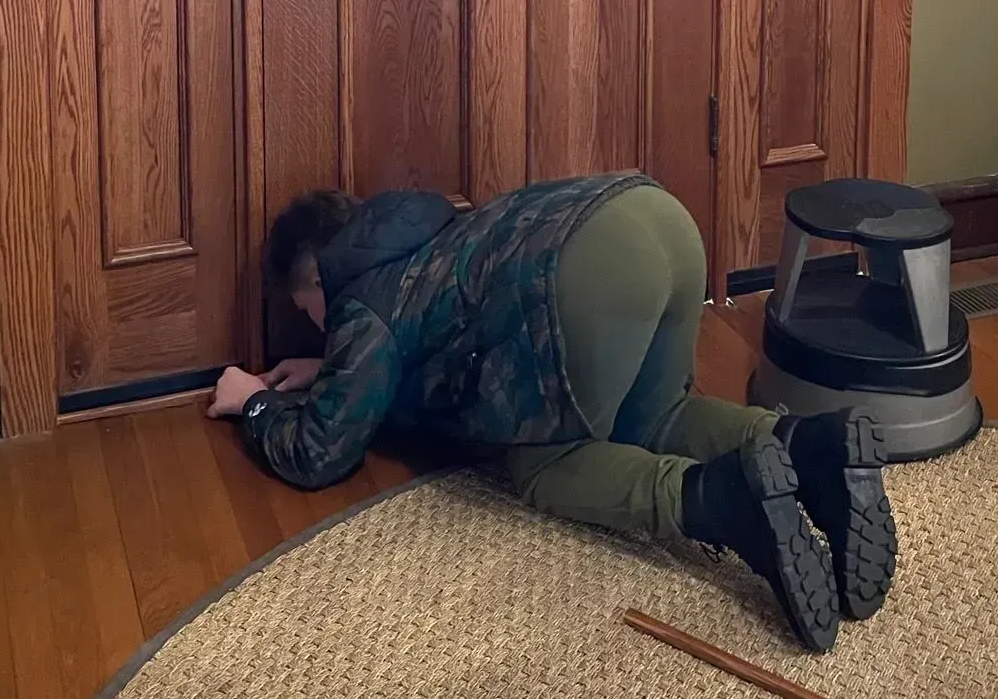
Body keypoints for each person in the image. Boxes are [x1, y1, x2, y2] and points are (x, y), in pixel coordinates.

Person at [208, 171, 896, 653]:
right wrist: (330, 370)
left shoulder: (361, 301)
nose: (317, 329)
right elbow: (397, 355)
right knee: (650, 416)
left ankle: (724, 501)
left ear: (316, 279)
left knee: (546, 463)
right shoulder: (426, 230)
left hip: (584, 272)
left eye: (308, 314)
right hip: (654, 218)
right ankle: (809, 444)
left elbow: (320, 451)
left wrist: (256, 401)